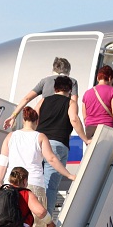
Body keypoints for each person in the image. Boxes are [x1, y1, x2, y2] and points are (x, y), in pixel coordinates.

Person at [0, 107, 74, 227]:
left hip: (10, 184)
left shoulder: (11, 136)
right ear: (37, 121)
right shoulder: (40, 137)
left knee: (11, 220)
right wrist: (68, 175)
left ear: (23, 120)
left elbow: (3, 160)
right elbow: (51, 159)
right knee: (37, 226)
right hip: (34, 183)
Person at [35, 75, 90, 213]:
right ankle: (46, 218)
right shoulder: (70, 103)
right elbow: (74, 119)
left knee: (35, 182)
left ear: (55, 88)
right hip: (57, 144)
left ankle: (33, 214)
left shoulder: (43, 100)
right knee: (50, 185)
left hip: (39, 143)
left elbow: (34, 116)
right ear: (70, 90)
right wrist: (85, 139)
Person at [4, 57, 78, 130]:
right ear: (68, 70)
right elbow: (74, 102)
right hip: (61, 122)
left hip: (43, 121)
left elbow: (27, 98)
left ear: (53, 69)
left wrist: (13, 116)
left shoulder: (45, 81)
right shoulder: (72, 81)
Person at [81, 65, 113, 138]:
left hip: (90, 129)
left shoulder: (87, 93)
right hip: (107, 127)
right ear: (110, 78)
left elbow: (84, 115)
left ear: (97, 78)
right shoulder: (112, 91)